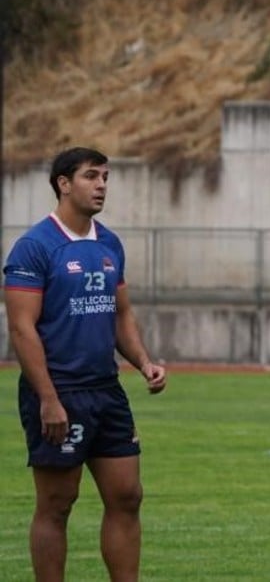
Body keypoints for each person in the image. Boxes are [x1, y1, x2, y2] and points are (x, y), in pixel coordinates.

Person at [4, 147, 168, 582]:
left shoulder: (109, 243)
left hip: (106, 390)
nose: (101, 185)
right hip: (59, 391)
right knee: (57, 504)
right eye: (91, 176)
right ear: (63, 183)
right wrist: (48, 399)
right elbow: (22, 329)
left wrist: (143, 362)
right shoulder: (35, 247)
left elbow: (120, 314)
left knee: (128, 496)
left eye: (105, 178)